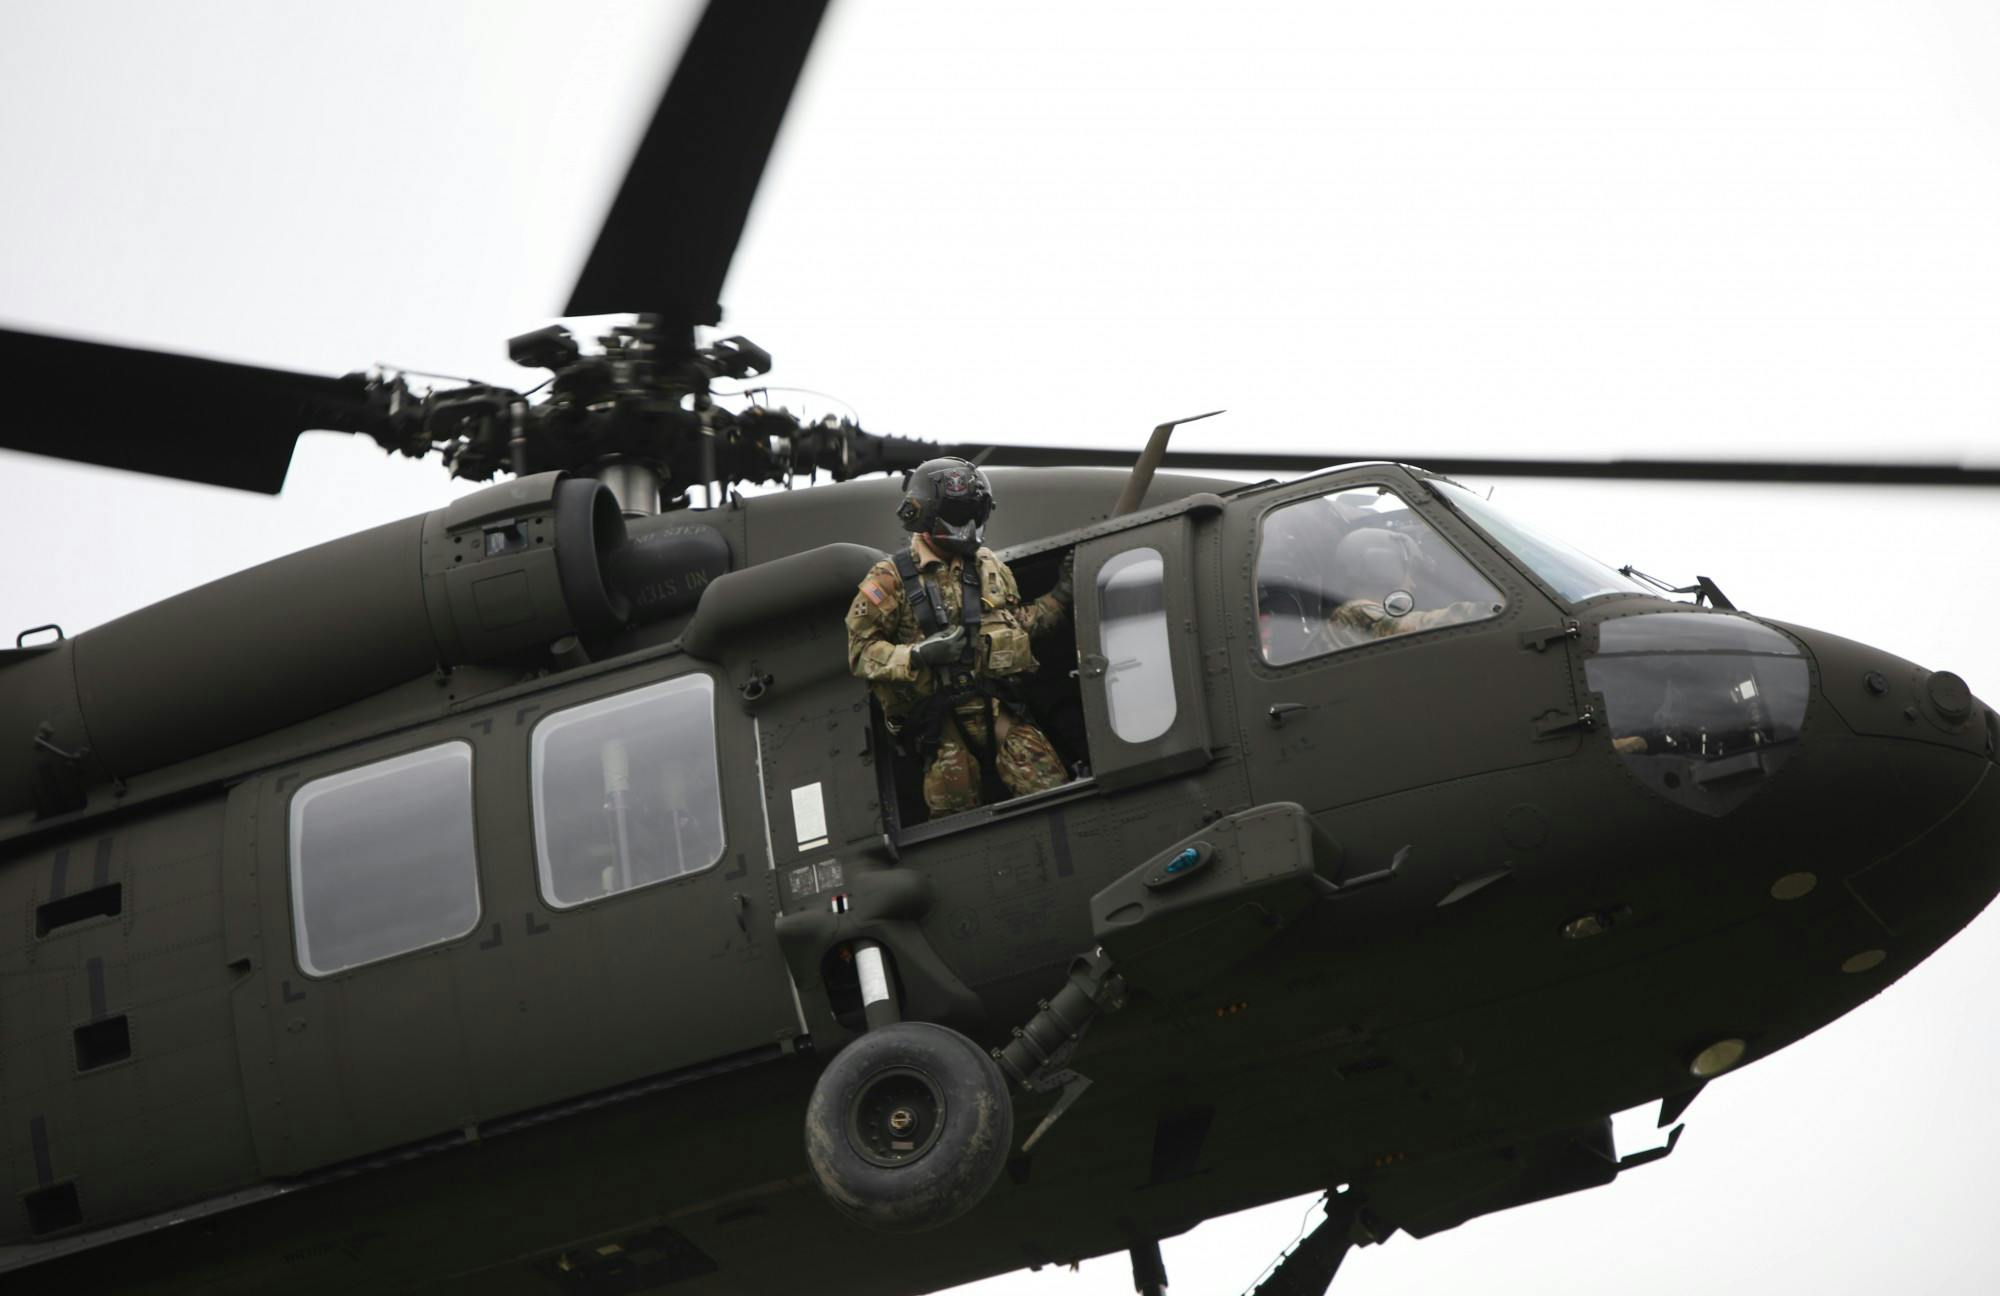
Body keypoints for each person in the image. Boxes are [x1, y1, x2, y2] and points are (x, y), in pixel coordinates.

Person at [846, 458, 1073, 816]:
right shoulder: (889, 579)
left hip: (999, 709)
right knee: (957, 818)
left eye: (974, 514)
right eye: (957, 514)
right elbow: (860, 654)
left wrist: (1061, 595)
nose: (968, 527)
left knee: (1054, 793)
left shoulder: (990, 567)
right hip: (939, 723)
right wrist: (918, 655)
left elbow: (1017, 624)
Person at [1316, 527, 1488, 652]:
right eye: (1409, 573)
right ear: (1383, 567)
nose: (1413, 584)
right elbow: (1413, 628)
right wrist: (1483, 611)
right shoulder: (1355, 612)